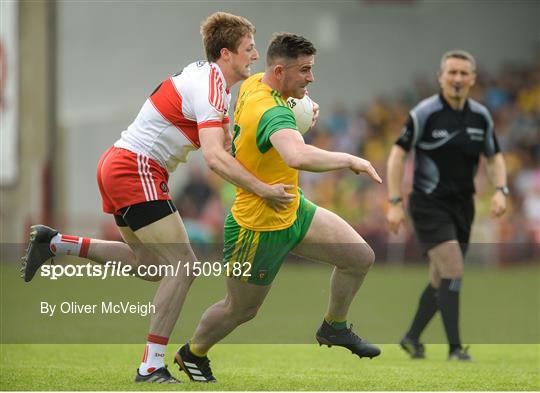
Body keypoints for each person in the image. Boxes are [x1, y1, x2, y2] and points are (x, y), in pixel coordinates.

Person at [20, 12, 296, 384]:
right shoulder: (212, 85)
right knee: (183, 265)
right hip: (136, 168)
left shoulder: (208, 80)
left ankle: (55, 243)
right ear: (227, 53)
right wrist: (263, 189)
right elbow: (215, 158)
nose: (255, 54)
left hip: (120, 163)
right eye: (249, 48)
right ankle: (150, 366)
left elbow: (223, 147)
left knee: (149, 264)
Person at [172, 33, 383, 383]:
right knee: (240, 310)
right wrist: (349, 158)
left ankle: (334, 327)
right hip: (256, 227)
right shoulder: (269, 110)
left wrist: (303, 108)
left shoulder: (257, 84)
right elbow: (296, 155)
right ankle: (192, 352)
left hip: (291, 207)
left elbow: (281, 115)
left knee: (359, 257)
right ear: (281, 70)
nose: (311, 78)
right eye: (305, 71)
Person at [386, 50, 508, 361]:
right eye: (451, 73)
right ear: (441, 77)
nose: (457, 78)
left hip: (463, 207)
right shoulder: (424, 113)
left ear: (472, 79)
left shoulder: (481, 116)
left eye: (463, 73)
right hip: (428, 204)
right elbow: (398, 155)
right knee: (453, 268)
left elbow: (494, 157)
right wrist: (395, 202)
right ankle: (455, 349)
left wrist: (500, 190)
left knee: (441, 278)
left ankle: (411, 337)